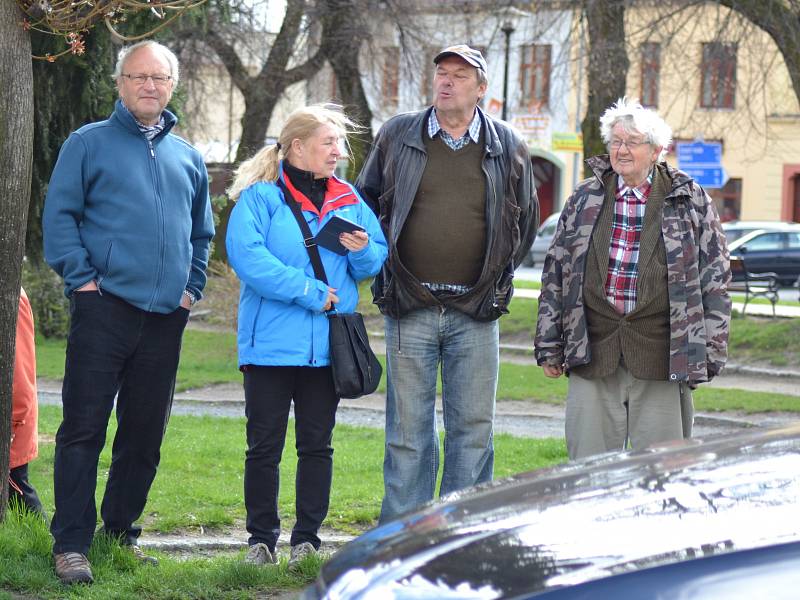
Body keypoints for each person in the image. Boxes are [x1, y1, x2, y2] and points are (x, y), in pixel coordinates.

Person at [42, 40, 214, 584]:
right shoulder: (87, 143)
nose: (149, 86)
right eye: (138, 77)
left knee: (143, 433)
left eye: (159, 78)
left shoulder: (187, 156)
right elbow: (61, 218)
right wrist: (84, 282)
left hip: (166, 316)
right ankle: (71, 543)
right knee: (83, 429)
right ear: (120, 84)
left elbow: (202, 234)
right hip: (103, 309)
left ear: (172, 86)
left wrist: (191, 289)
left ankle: (120, 532)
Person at [356, 44, 539, 522]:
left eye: (460, 75)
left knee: (473, 430)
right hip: (409, 305)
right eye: (441, 72)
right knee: (407, 433)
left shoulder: (509, 144)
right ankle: (401, 539)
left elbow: (526, 224)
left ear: (481, 90)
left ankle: (459, 537)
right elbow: (364, 204)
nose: (447, 81)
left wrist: (493, 279)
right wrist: (384, 268)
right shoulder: (398, 134)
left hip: (476, 312)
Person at [225, 104, 387, 569]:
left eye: (338, 143)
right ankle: (260, 541)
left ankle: (307, 541)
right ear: (297, 147)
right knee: (264, 446)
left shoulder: (348, 198)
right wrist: (311, 292)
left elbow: (374, 261)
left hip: (326, 351)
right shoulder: (260, 198)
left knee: (317, 445)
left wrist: (362, 251)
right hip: (269, 348)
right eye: (328, 143)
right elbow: (249, 260)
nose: (338, 152)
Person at [535, 97, 731, 460]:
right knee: (587, 473)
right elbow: (556, 272)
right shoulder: (584, 197)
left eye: (632, 142)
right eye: (615, 141)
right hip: (592, 350)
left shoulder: (689, 199)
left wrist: (710, 353)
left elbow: (714, 280)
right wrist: (549, 344)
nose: (621, 150)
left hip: (662, 354)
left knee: (662, 471)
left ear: (656, 150)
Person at [9, 288, 45, 519]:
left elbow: (19, 371)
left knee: (18, 492)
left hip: (13, 424)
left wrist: (13, 422)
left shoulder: (11, 295)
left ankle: (52, 547)